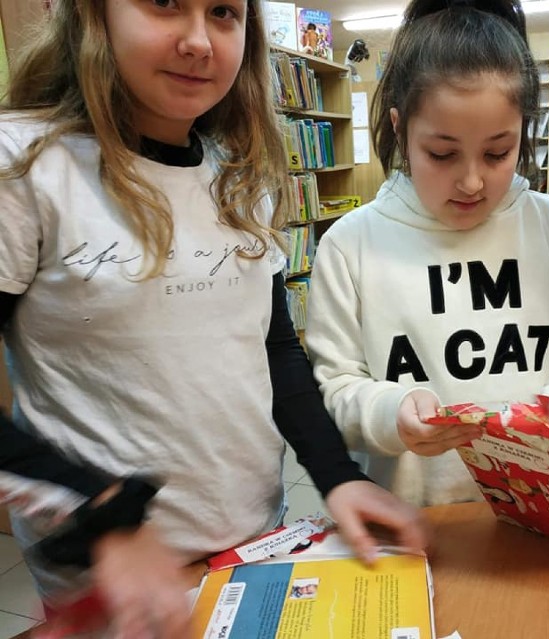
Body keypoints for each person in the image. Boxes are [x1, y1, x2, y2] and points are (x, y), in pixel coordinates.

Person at [0, 0, 427, 635]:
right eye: (166, 4)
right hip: (118, 582)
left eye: (224, 12)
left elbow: (275, 350)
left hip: (256, 545)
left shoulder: (240, 174)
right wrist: (102, 513)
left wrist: (337, 477)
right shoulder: (26, 165)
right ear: (94, 17)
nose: (200, 41)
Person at [305, 0, 549, 507]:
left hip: (542, 511)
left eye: (498, 152)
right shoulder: (349, 245)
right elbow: (337, 387)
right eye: (442, 153)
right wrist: (392, 410)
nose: (472, 181)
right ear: (401, 129)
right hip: (415, 522)